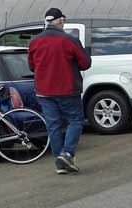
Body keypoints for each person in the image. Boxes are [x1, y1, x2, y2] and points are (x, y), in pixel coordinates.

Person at [29, 8, 91, 174]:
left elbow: (31, 66)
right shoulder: (69, 40)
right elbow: (85, 63)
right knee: (75, 121)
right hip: (68, 90)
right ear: (61, 21)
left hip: (44, 91)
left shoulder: (34, 42)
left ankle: (60, 165)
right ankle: (67, 153)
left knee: (53, 126)